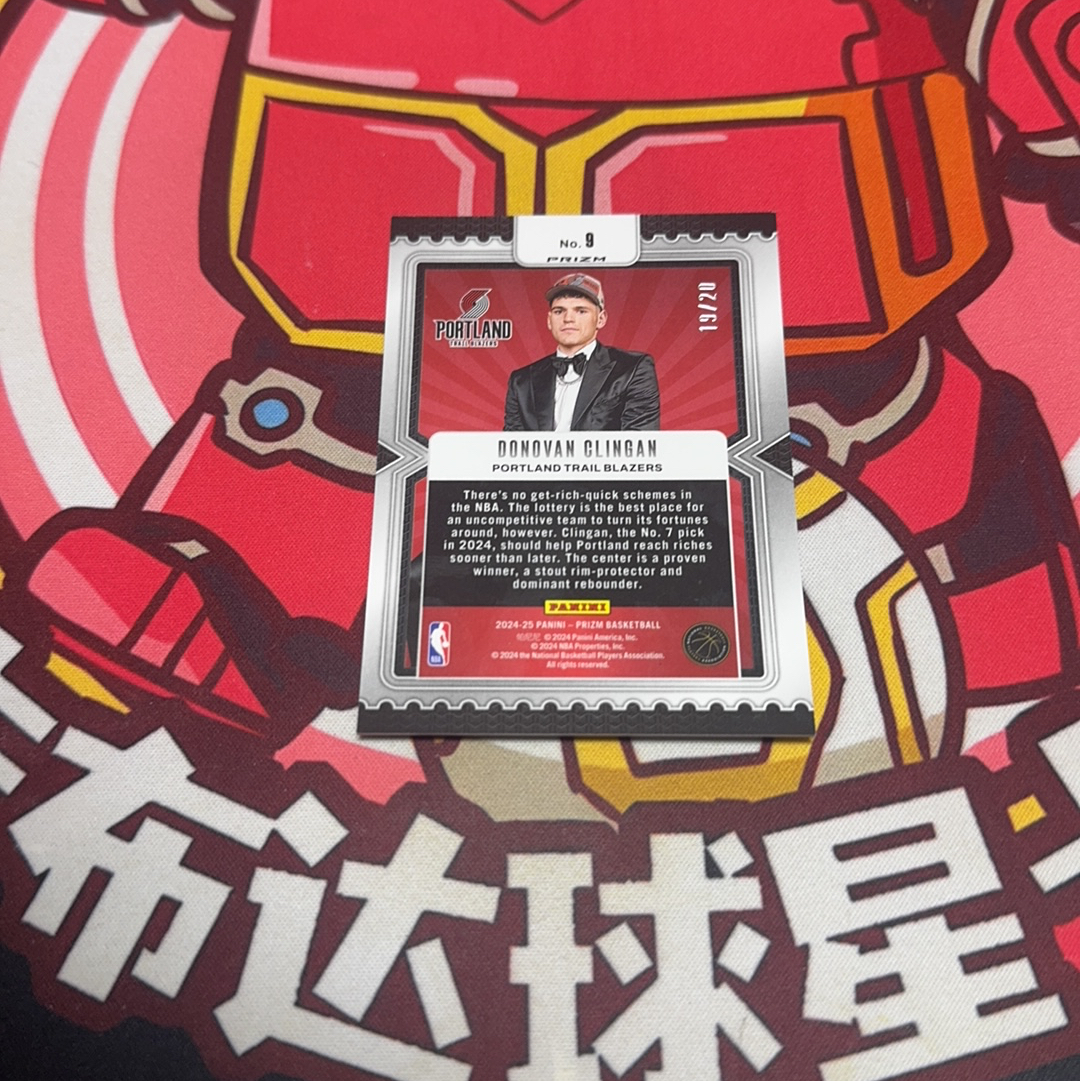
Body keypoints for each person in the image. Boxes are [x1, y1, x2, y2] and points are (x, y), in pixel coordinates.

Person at [503, 273, 660, 431]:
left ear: (600, 319)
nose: (568, 319)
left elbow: (640, 440)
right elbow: (511, 443)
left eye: (581, 311)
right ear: (549, 320)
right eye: (559, 311)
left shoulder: (633, 369)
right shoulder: (522, 381)